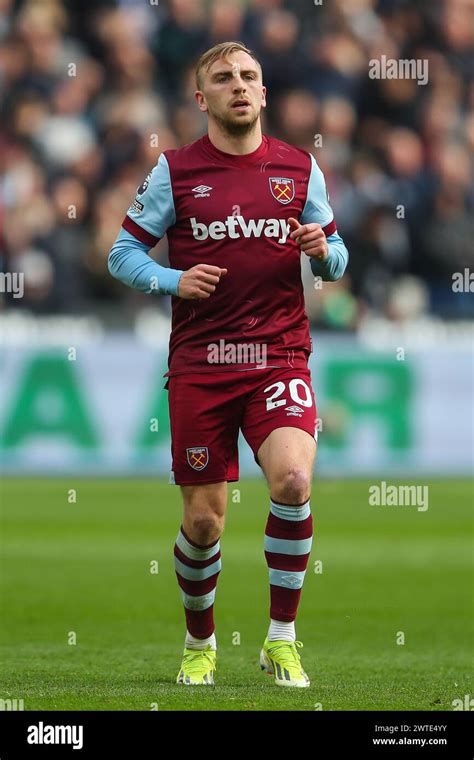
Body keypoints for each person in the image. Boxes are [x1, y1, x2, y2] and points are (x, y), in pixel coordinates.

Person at [108, 41, 348, 688]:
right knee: (203, 521)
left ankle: (281, 640)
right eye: (224, 78)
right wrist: (171, 280)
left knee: (294, 481)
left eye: (249, 76)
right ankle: (199, 640)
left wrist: (324, 252)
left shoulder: (299, 169)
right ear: (202, 97)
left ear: (264, 94)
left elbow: (337, 255)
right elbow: (121, 256)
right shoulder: (175, 171)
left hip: (278, 357)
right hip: (202, 362)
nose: (239, 85)